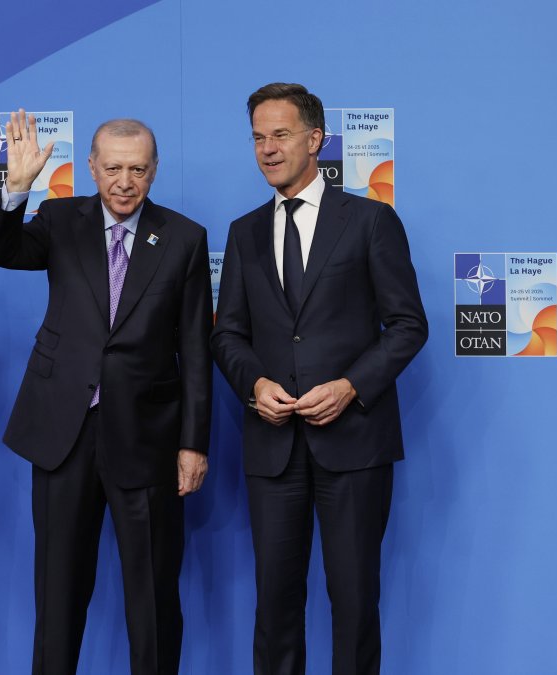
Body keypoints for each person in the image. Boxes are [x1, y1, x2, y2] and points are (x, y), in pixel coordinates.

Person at [0, 111, 212, 675]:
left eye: (137, 169)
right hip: (64, 431)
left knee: (153, 598)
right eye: (112, 169)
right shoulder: (60, 218)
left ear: (155, 170)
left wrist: (193, 443)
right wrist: (16, 188)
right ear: (91, 167)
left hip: (149, 439)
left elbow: (196, 350)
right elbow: (2, 251)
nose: (124, 182)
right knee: (57, 597)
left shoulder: (185, 238)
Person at [211, 83, 428, 675]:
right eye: (257, 137)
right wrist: (254, 385)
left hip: (354, 444)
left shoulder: (371, 221)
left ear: (316, 139)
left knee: (354, 602)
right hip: (273, 448)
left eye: (280, 135)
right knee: (275, 605)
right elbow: (226, 333)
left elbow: (408, 325)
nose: (267, 149)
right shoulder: (243, 232)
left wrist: (351, 386)